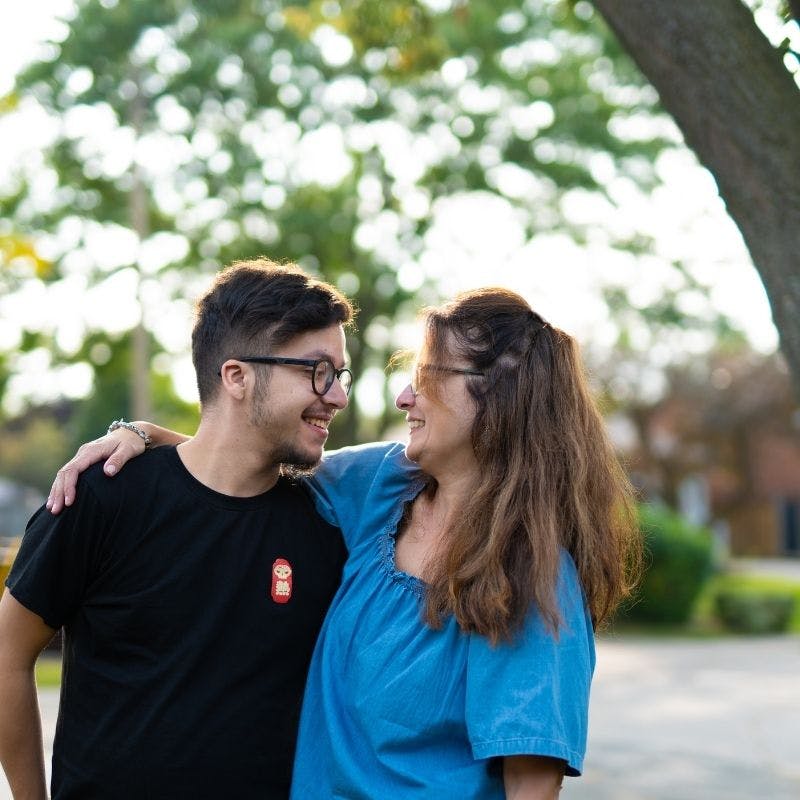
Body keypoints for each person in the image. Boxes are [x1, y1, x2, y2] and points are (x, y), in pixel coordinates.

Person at [43, 287, 641, 798]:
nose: (404, 399)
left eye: (425, 379)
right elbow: (244, 454)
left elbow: (531, 788)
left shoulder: (533, 579)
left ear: (499, 400)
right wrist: (143, 435)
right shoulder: (383, 486)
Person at [0, 258, 354, 799]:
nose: (337, 395)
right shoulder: (104, 494)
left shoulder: (324, 527)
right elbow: (7, 653)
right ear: (236, 376)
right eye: (317, 370)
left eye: (340, 374)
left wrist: (146, 431)